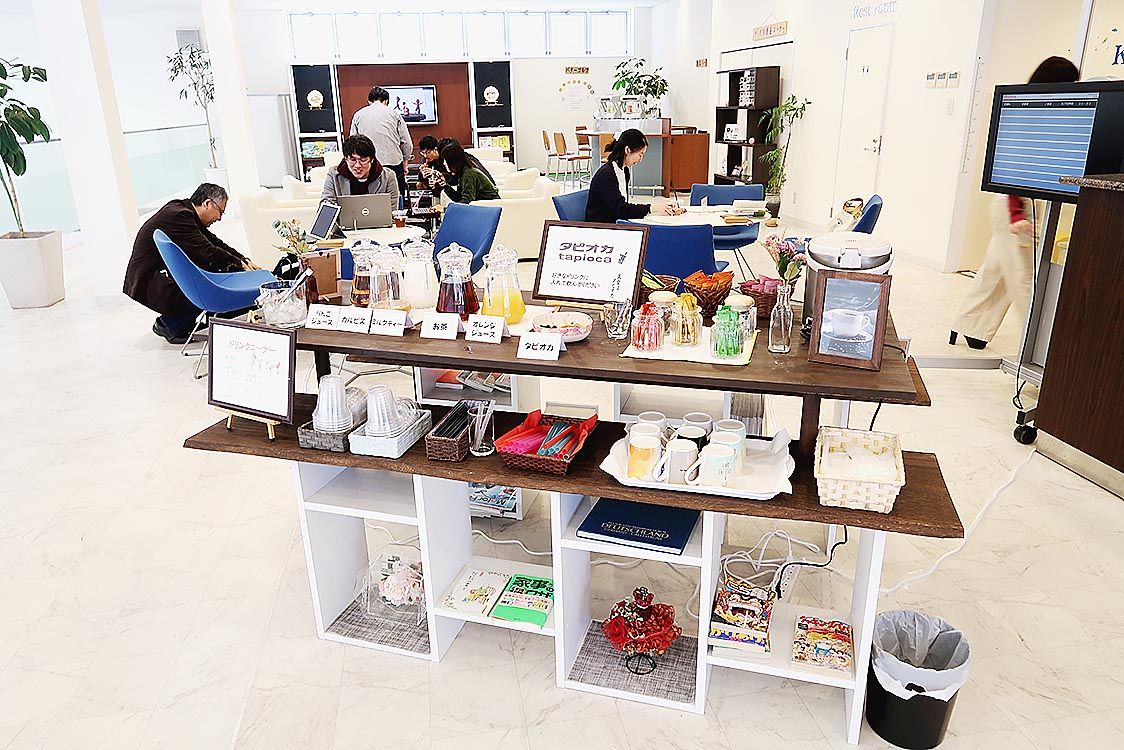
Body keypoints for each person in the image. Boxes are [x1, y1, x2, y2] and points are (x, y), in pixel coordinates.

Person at [950, 56, 1080, 350]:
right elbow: (1012, 165)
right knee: (1025, 279)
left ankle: (969, 326)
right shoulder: (1030, 112)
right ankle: (1039, 348)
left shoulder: (1036, 109)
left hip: (1018, 205)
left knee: (996, 271)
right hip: (1017, 205)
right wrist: (1016, 214)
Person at [123, 183, 260, 345]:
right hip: (150, 278)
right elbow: (207, 250)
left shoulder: (183, 210)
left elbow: (214, 242)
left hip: (162, 272)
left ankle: (181, 322)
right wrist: (238, 264)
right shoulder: (179, 216)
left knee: (210, 273)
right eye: (220, 212)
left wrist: (243, 260)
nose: (219, 218)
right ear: (208, 204)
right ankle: (169, 326)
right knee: (201, 286)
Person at [585, 129, 679, 223]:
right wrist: (651, 208)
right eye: (640, 155)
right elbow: (620, 209)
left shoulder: (624, 171)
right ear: (627, 150)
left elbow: (622, 207)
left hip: (615, 221)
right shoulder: (607, 174)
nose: (640, 160)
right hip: (602, 226)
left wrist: (655, 209)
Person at [350, 86, 412, 194]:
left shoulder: (358, 115)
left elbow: (352, 143)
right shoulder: (394, 114)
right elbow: (406, 142)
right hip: (393, 163)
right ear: (386, 101)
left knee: (370, 199)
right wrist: (405, 163)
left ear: (369, 101)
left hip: (368, 164)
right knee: (396, 197)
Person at [321, 134, 400, 208]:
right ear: (346, 159)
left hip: (379, 219)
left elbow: (392, 211)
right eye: (353, 160)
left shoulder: (388, 177)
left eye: (363, 160)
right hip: (344, 219)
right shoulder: (334, 175)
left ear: (372, 160)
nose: (357, 165)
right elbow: (326, 206)